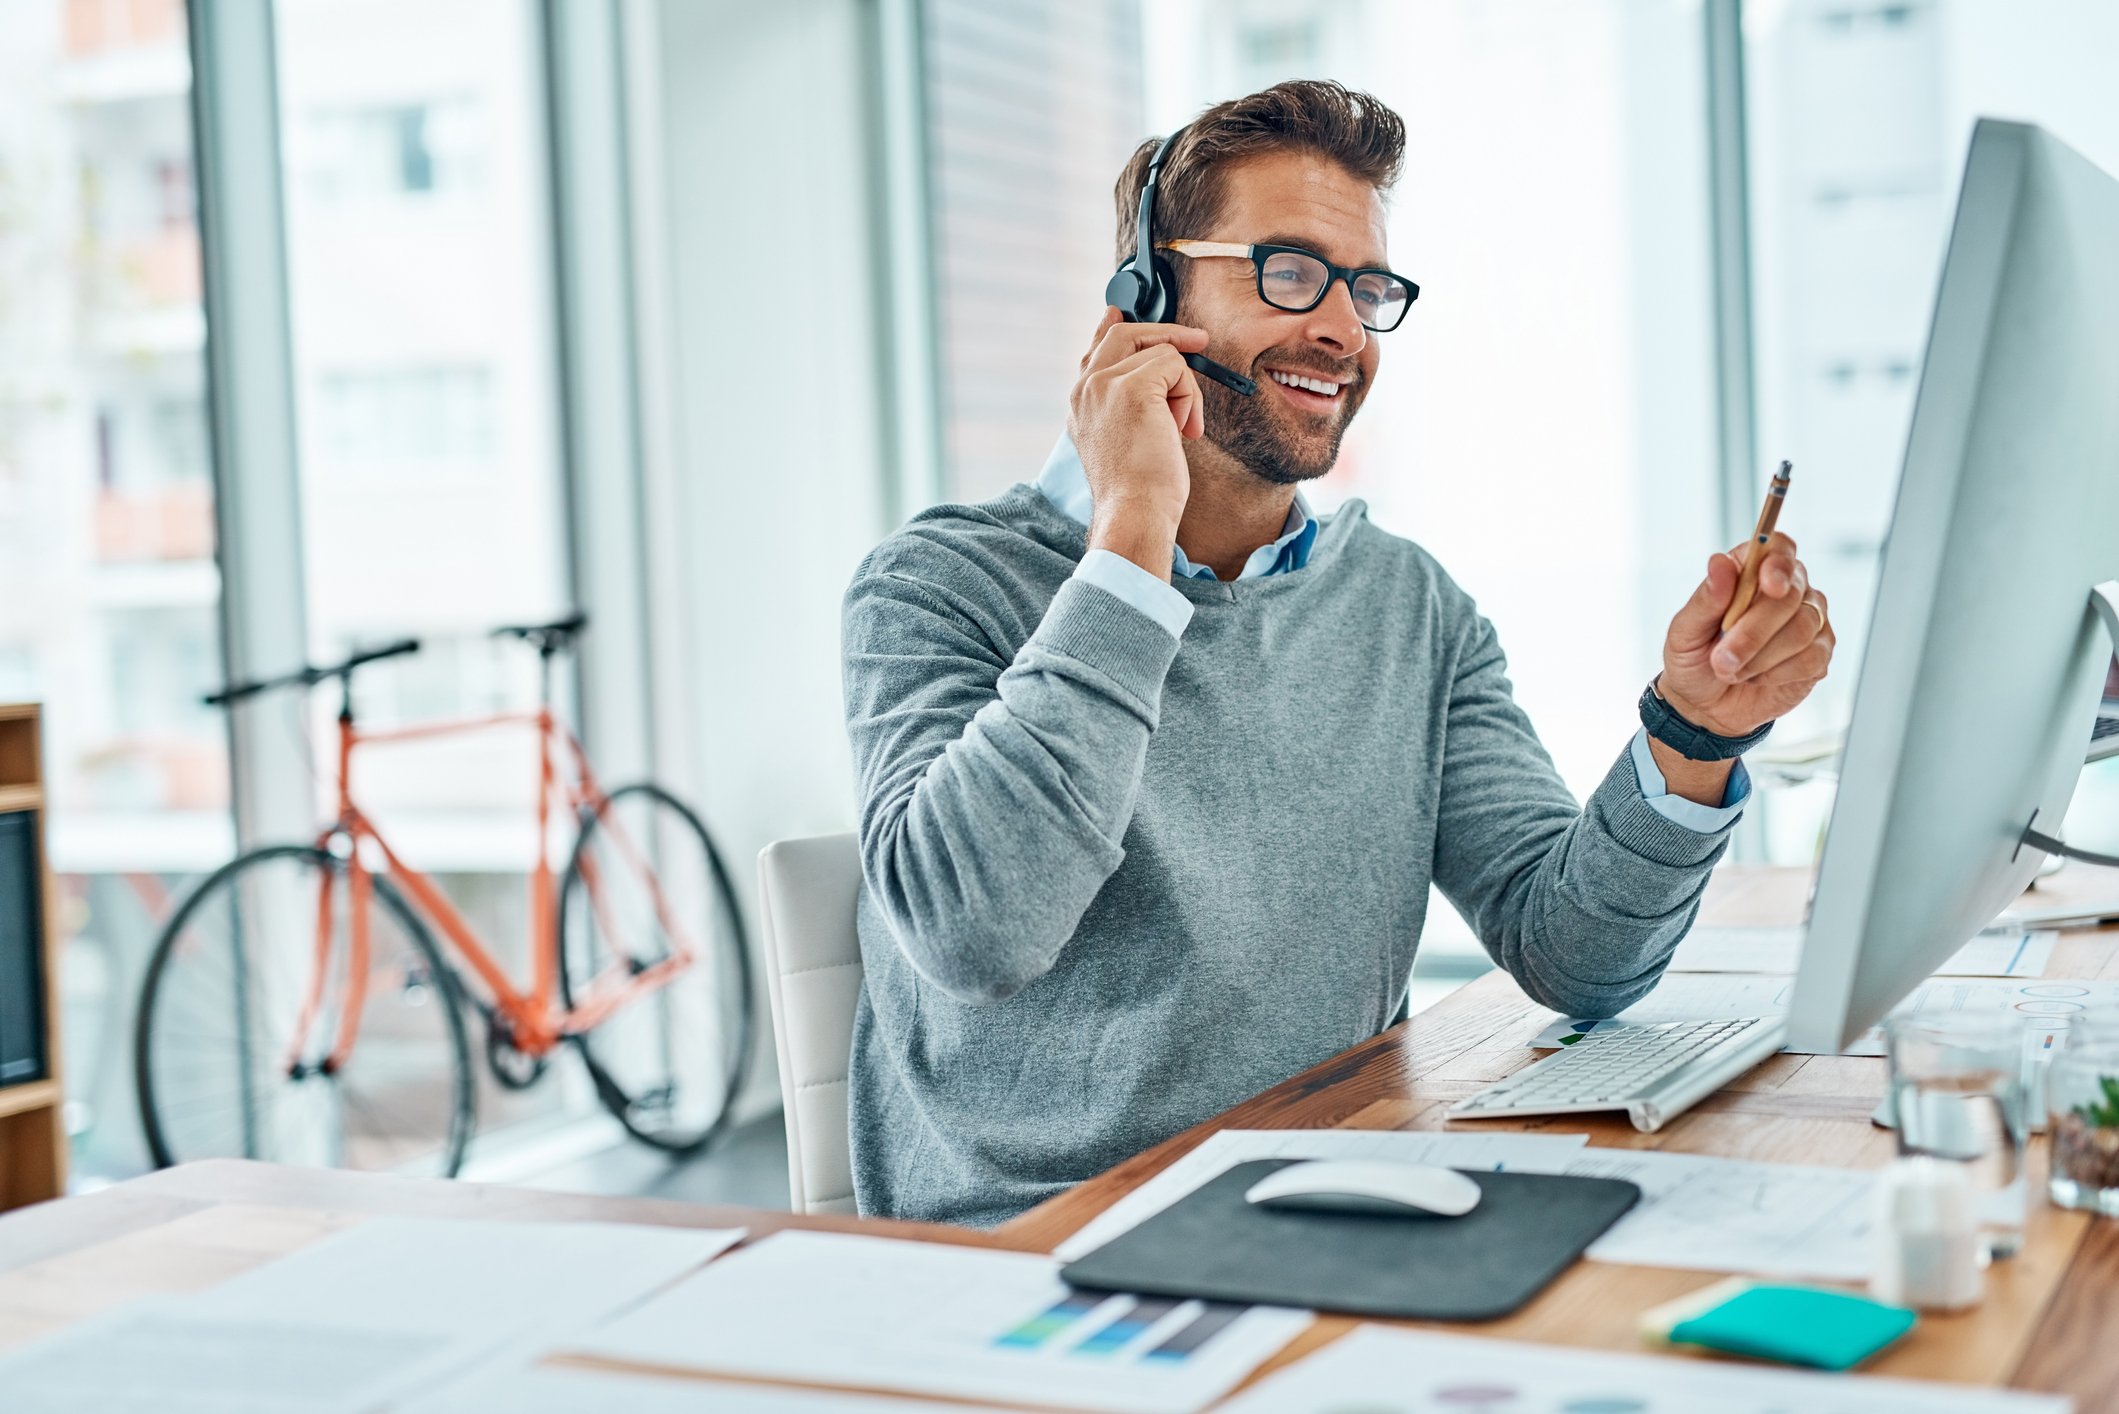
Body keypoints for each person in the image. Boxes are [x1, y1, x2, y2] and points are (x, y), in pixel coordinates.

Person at [839, 80, 1833, 1227]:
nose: (1342, 331)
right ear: (1144, 298)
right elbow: (974, 933)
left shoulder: (1407, 605)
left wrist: (1693, 730)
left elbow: (1577, 958)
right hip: (1043, 1247)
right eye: (1289, 271)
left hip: (1335, 1201)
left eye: (1365, 290)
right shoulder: (938, 583)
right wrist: (1129, 543)